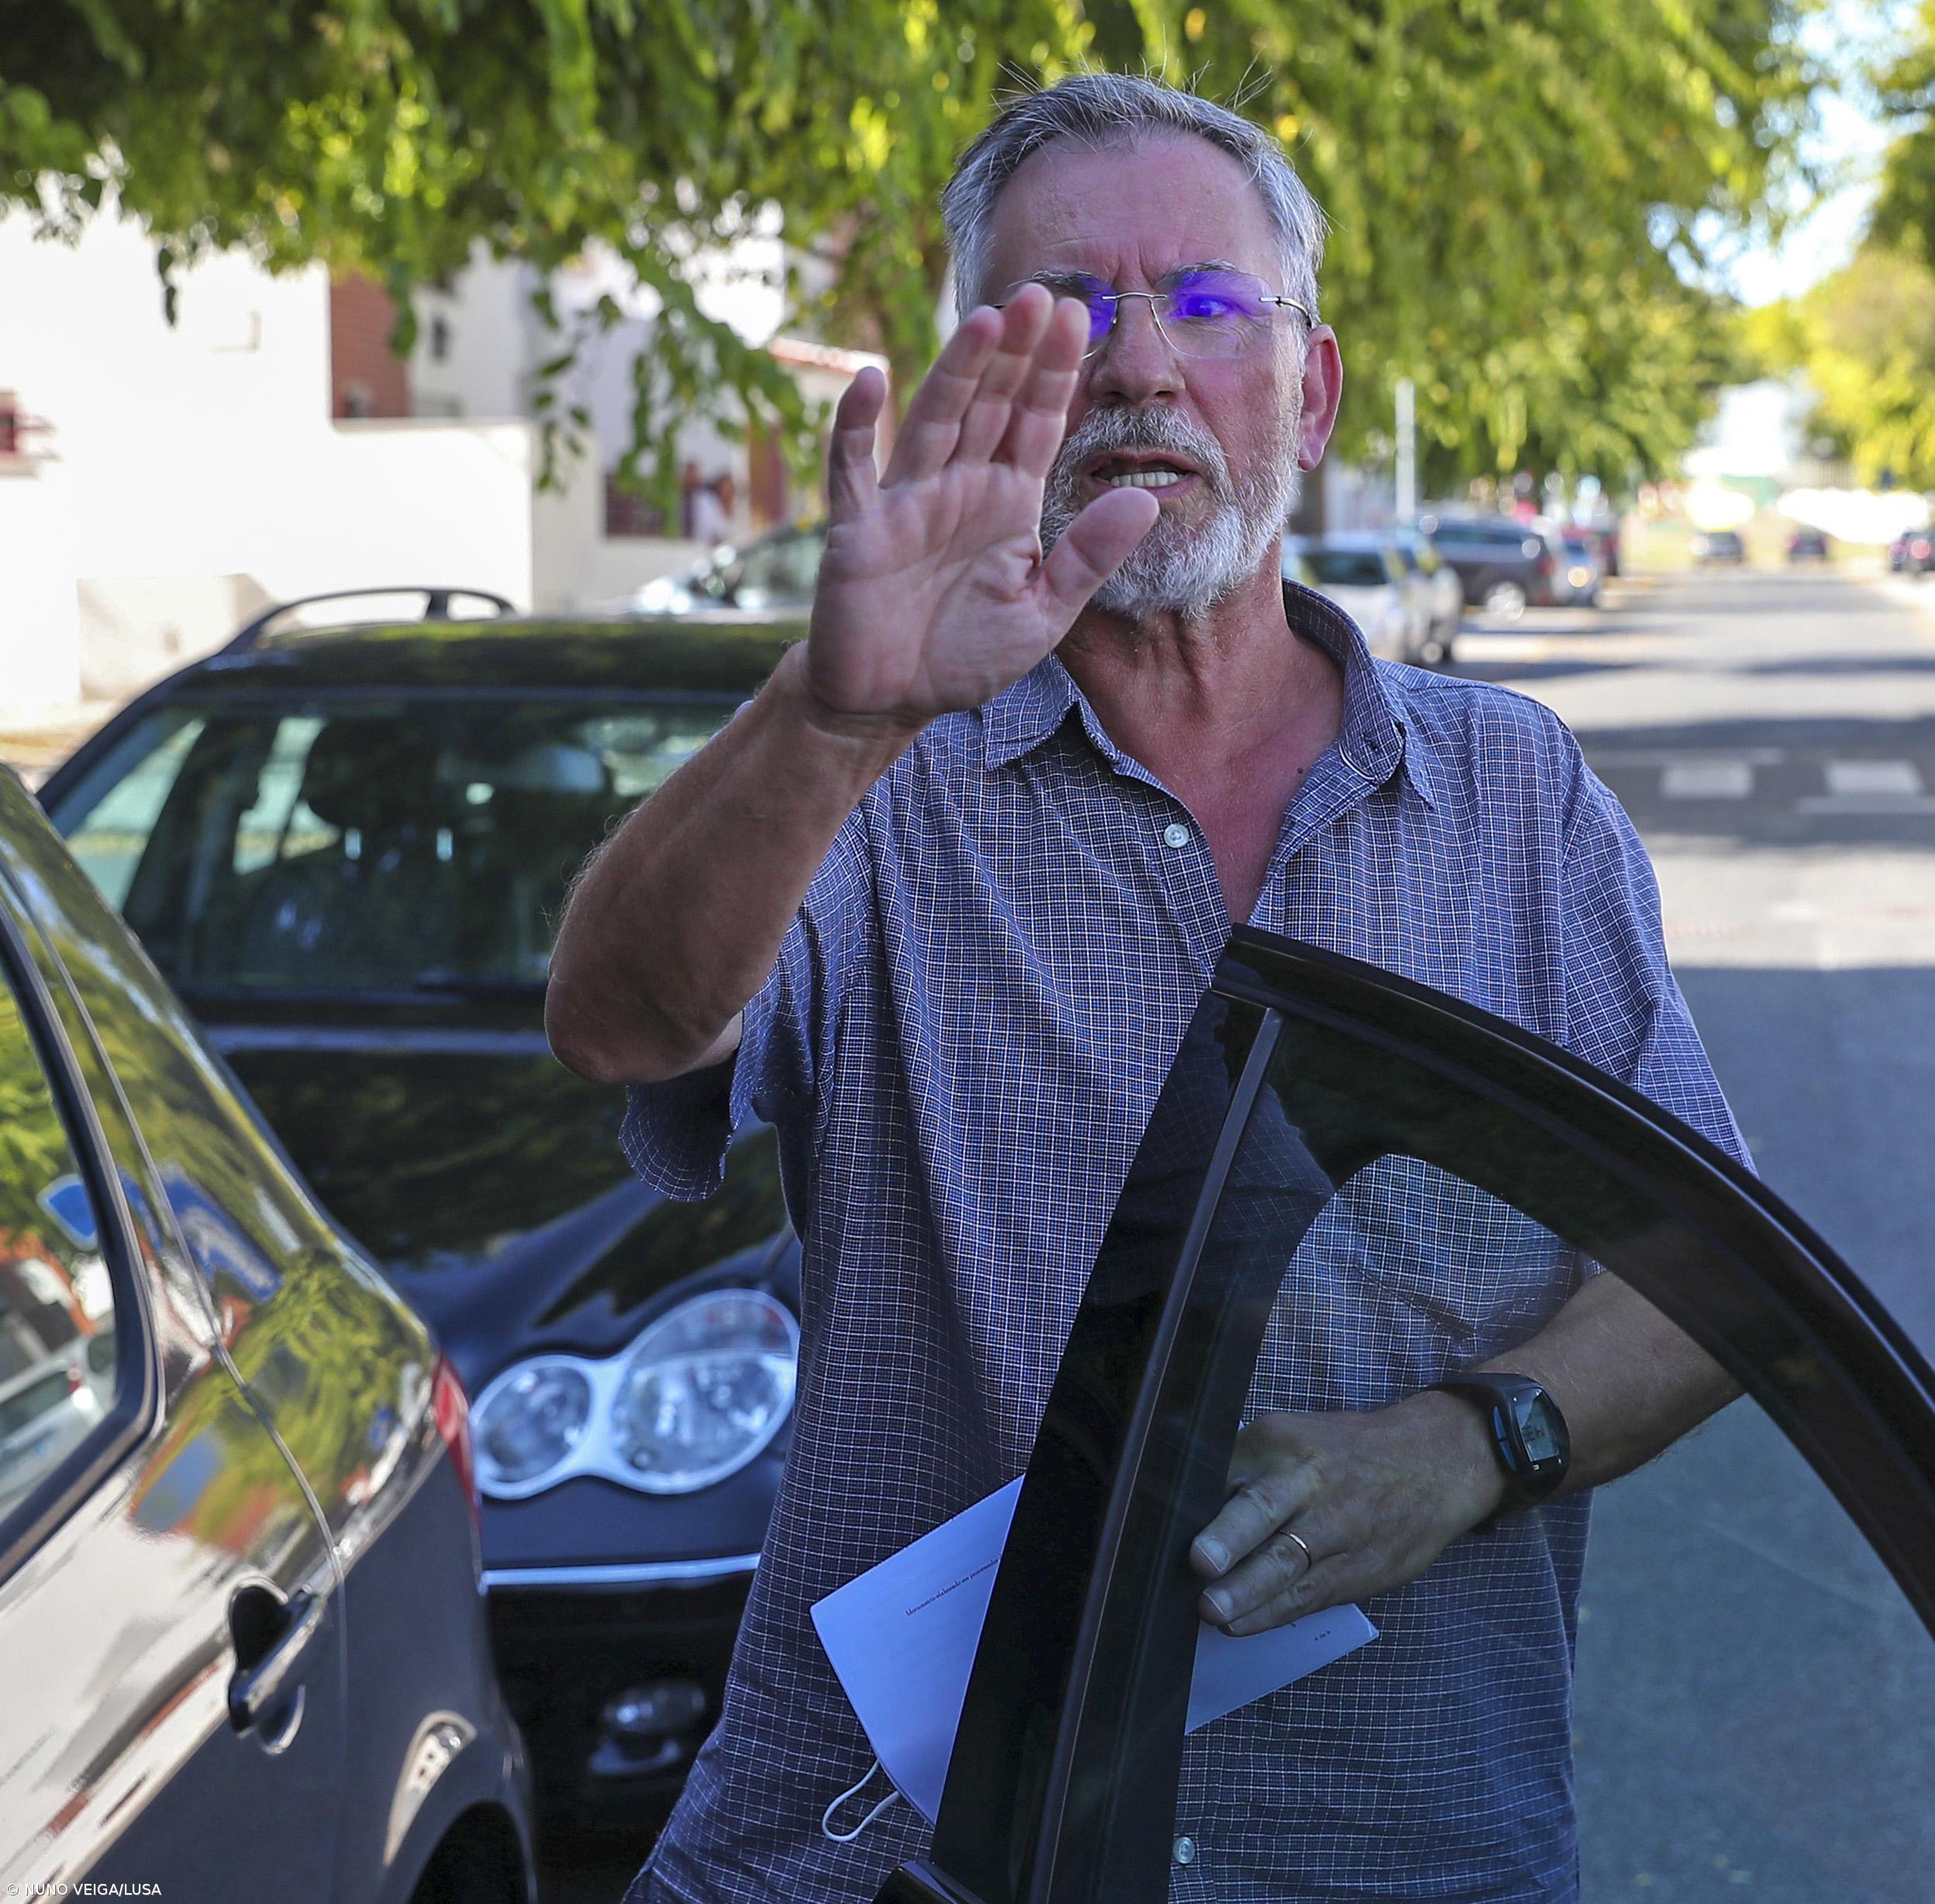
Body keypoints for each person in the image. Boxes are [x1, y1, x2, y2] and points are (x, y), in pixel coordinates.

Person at [547, 72, 1742, 1902]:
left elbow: (1704, 1266)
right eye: (1068, 314)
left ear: (1314, 393)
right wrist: (834, 712)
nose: (1136, 367)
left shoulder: (1516, 799)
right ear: (983, 386)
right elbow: (621, 1022)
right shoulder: (877, 776)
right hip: (893, 1858)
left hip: (1403, 1852)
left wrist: (1474, 1441)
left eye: (1205, 305)